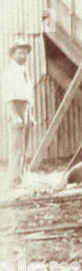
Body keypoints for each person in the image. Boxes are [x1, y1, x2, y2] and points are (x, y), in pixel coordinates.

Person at [3, 41, 34, 188]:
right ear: (13, 54)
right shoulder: (10, 71)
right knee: (16, 146)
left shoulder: (24, 71)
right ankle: (13, 180)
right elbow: (7, 95)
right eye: (19, 52)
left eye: (24, 53)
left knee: (24, 145)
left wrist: (31, 114)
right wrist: (14, 115)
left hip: (26, 108)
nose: (23, 55)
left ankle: (21, 177)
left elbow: (28, 94)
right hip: (16, 107)